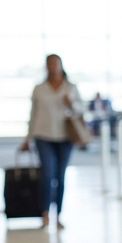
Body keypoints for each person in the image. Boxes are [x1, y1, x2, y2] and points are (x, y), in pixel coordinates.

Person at [20, 54, 82, 230]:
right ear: (46, 67)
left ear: (61, 66)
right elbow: (33, 115)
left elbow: (81, 109)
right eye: (50, 64)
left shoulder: (70, 88)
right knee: (47, 174)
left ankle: (58, 214)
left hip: (65, 138)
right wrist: (28, 138)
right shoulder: (39, 89)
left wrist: (71, 104)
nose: (54, 67)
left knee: (60, 176)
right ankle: (45, 213)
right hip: (43, 135)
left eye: (56, 64)